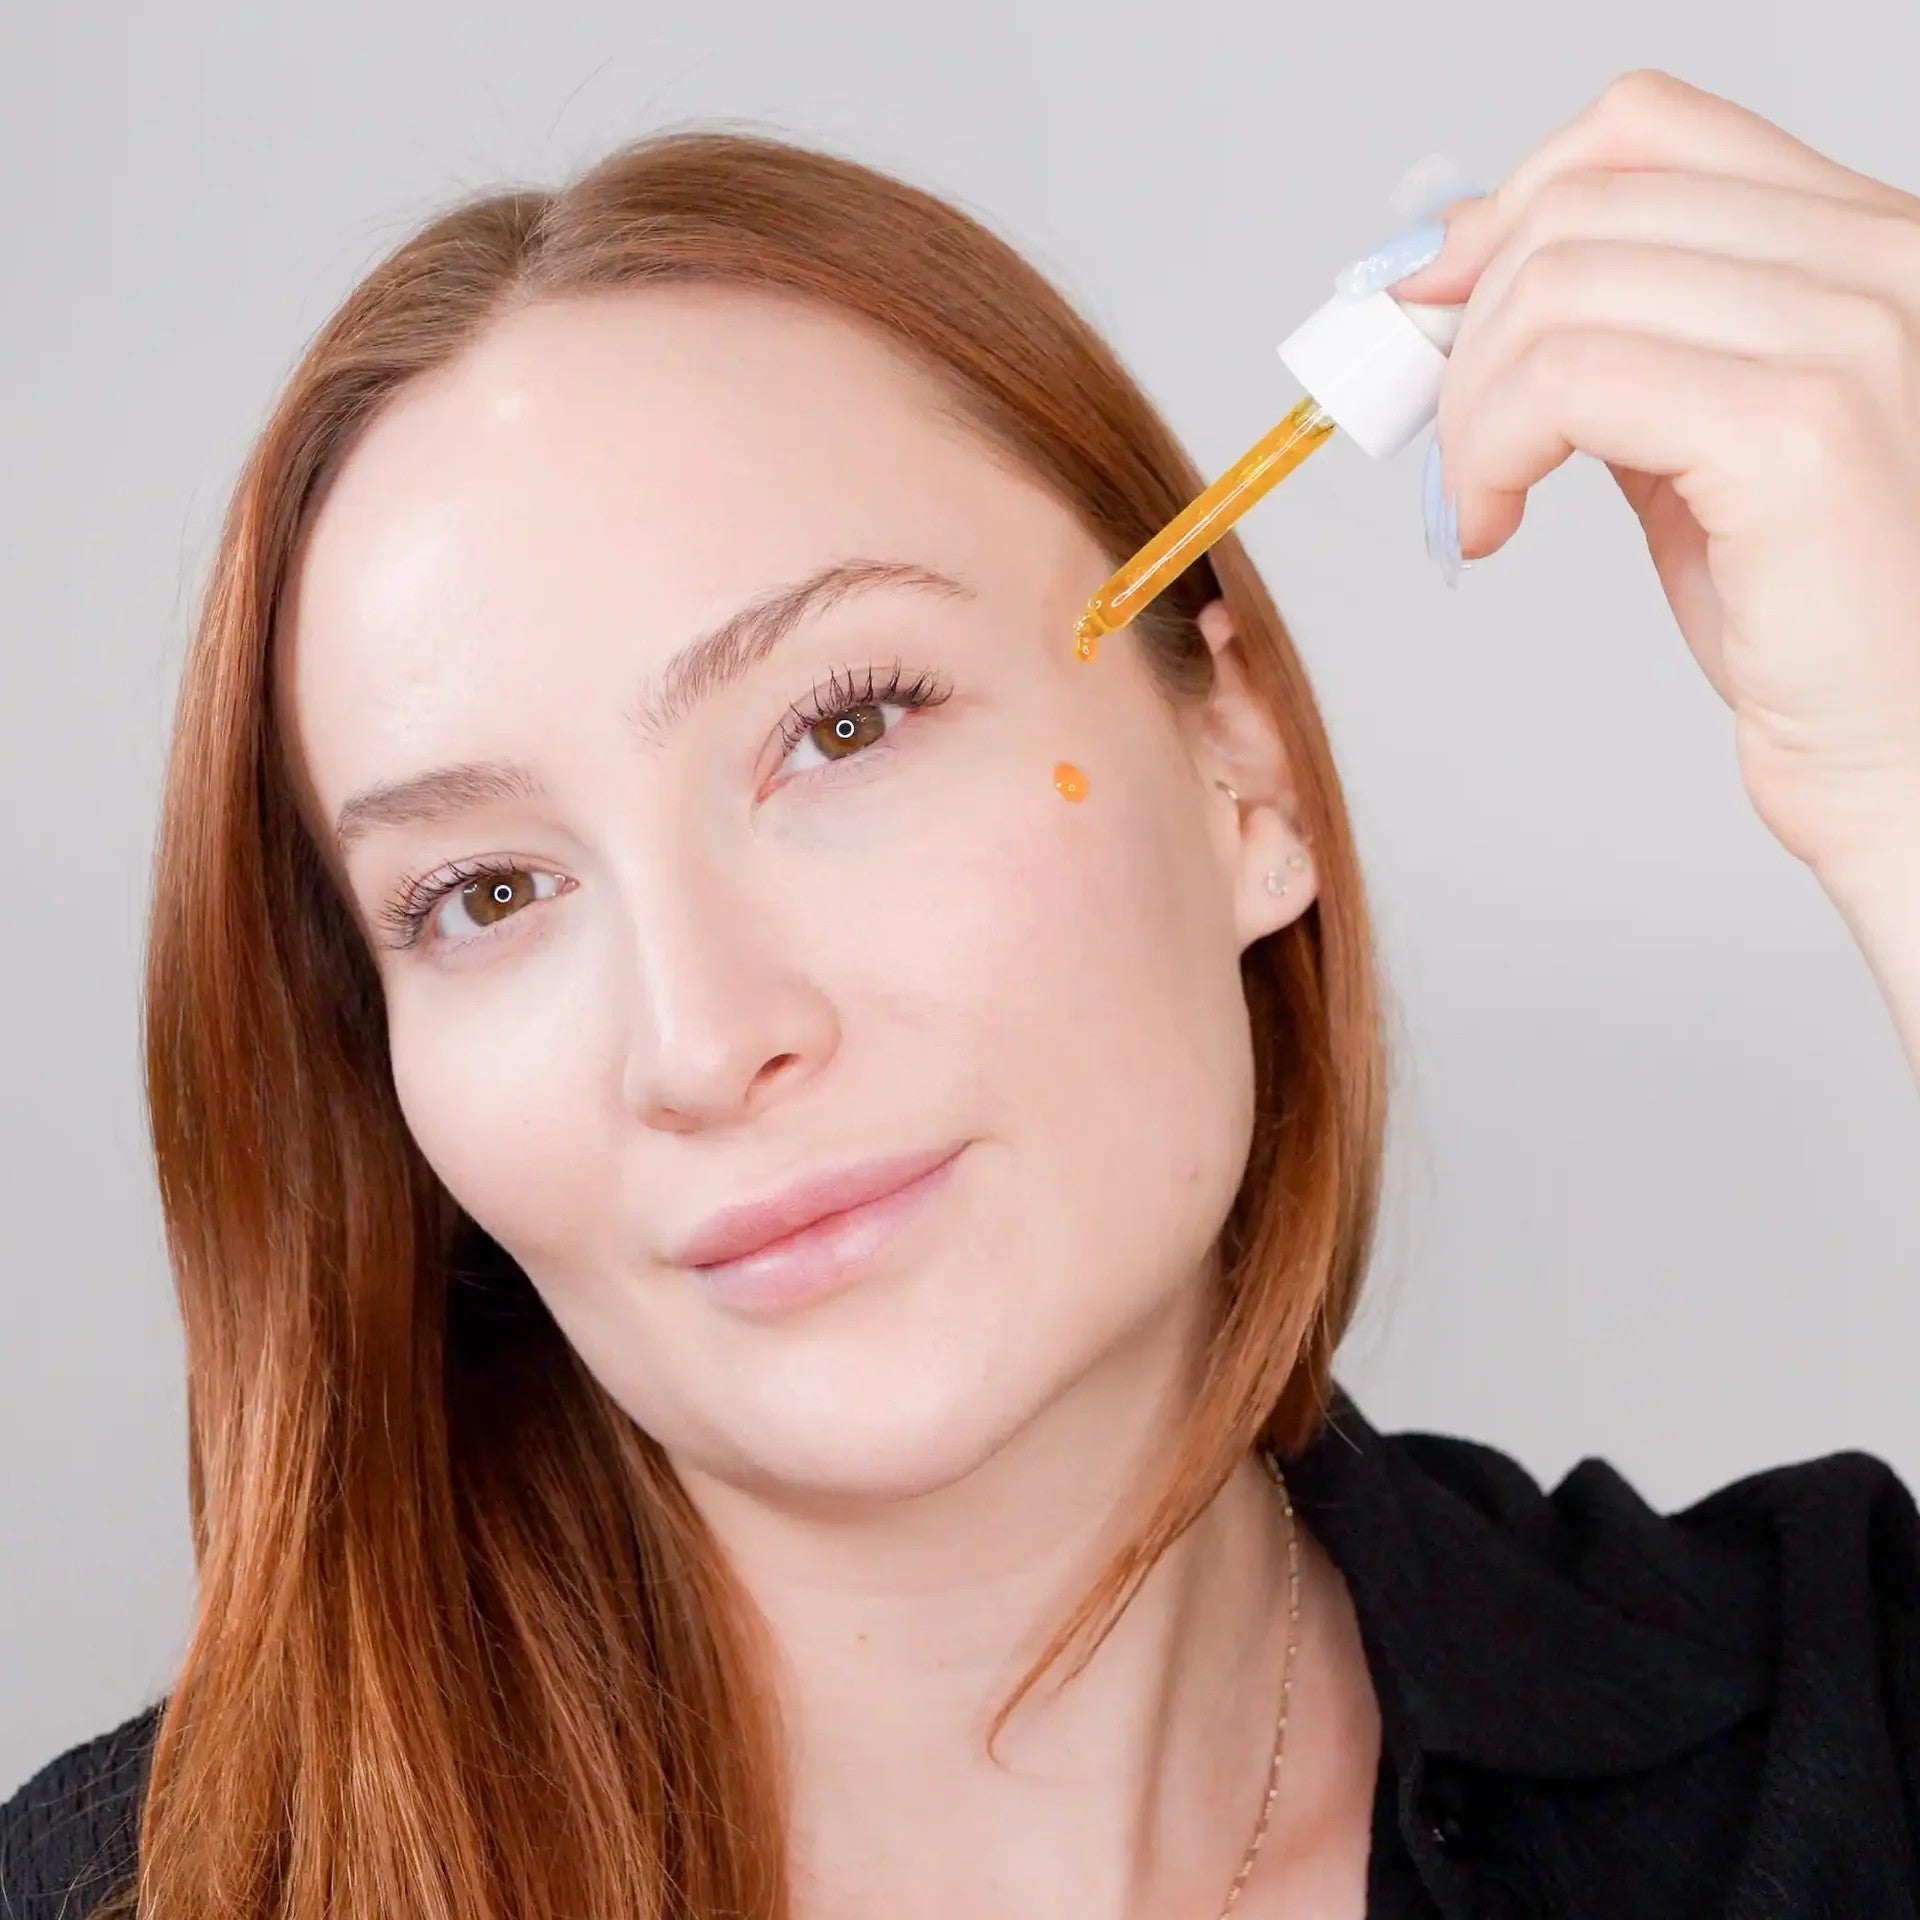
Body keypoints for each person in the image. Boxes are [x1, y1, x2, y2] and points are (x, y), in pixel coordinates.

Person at [3, 65, 1917, 1920]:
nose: (702, 1040)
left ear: (1239, 772)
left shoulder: (1848, 1734)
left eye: (845, 726)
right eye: (485, 893)